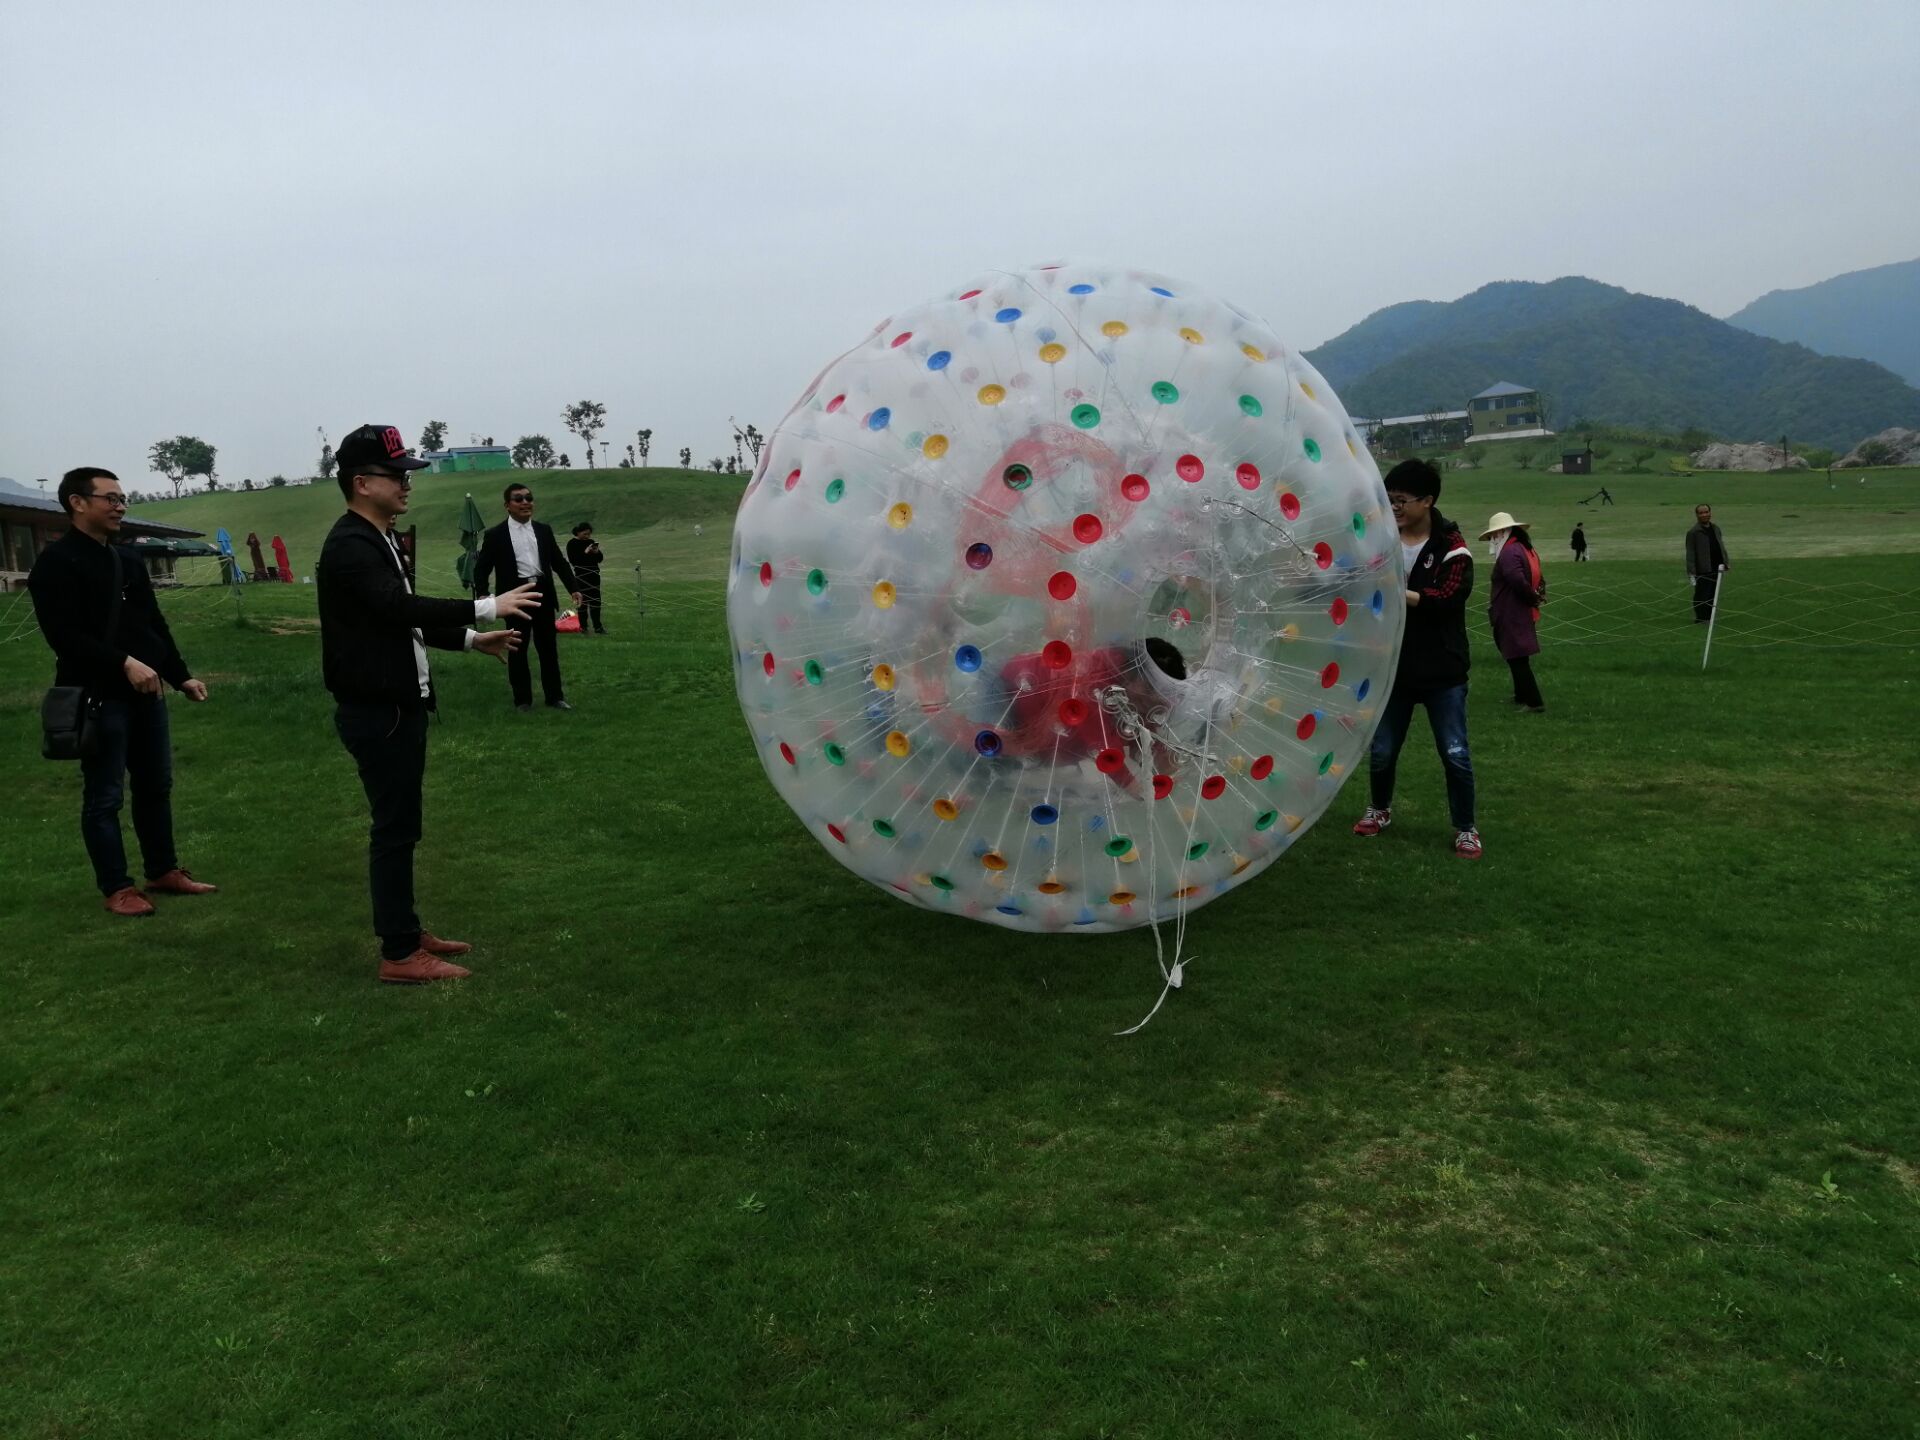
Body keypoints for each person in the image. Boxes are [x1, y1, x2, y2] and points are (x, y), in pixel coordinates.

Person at [317, 424, 541, 984]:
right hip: (380, 710)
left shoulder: (378, 538)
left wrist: (470, 640)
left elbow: (398, 616)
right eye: (396, 475)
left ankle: (406, 929)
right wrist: (486, 607)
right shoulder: (351, 545)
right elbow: (398, 608)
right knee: (394, 829)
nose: (406, 484)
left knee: (403, 826)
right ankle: (399, 953)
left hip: (397, 705)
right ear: (362, 482)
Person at [28, 466, 218, 916]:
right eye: (110, 499)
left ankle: (163, 870)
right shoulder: (55, 564)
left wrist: (180, 676)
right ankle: (117, 887)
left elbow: (153, 626)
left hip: (147, 695)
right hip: (99, 698)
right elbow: (64, 637)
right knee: (105, 796)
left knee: (155, 786)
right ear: (77, 503)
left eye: (122, 499)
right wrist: (123, 663)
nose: (120, 507)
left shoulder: (127, 560)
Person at [1352, 459, 1481, 859]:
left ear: (1427, 501)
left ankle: (1466, 828)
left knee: (1455, 753)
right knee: (1382, 750)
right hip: (1394, 667)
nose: (1393, 508)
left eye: (1401, 500)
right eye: (1388, 500)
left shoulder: (1453, 549)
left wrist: (1393, 590)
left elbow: (1446, 599)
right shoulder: (1381, 539)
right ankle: (1379, 809)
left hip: (1443, 671)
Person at [472, 482, 582, 711]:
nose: (525, 502)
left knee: (548, 648)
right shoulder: (496, 534)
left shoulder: (543, 530)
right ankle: (522, 700)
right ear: (507, 505)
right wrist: (482, 593)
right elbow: (481, 567)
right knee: (517, 649)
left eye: (529, 498)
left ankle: (555, 697)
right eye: (519, 499)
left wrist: (573, 587)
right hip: (515, 596)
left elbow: (559, 562)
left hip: (542, 593)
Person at [1482, 512, 1546, 713]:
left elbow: (1516, 579)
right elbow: (1537, 577)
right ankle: (1521, 695)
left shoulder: (1509, 552)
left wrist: (1530, 598)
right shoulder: (1524, 548)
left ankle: (1534, 702)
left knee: (1516, 657)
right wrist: (1535, 598)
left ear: (1502, 532)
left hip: (1512, 611)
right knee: (1517, 655)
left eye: (1493, 535)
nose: (1492, 539)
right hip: (1520, 610)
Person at [1684, 503, 1729, 623]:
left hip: (1717, 567)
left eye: (1706, 512)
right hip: (1703, 569)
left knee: (1713, 594)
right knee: (1702, 594)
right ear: (1697, 515)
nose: (1704, 515)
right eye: (1701, 513)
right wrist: (1691, 572)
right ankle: (1701, 618)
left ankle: (1710, 616)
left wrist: (1725, 562)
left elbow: (1721, 546)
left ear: (1710, 513)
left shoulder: (1715, 528)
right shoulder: (1693, 532)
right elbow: (1690, 554)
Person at [566, 522, 606, 635]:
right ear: (578, 532)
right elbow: (574, 560)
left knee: (596, 602)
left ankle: (598, 627)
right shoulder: (572, 543)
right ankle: (583, 627)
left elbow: (600, 559)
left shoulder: (591, 542)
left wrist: (596, 552)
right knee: (582, 602)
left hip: (594, 576)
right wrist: (586, 552)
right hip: (581, 577)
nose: (587, 536)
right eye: (585, 534)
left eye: (589, 534)